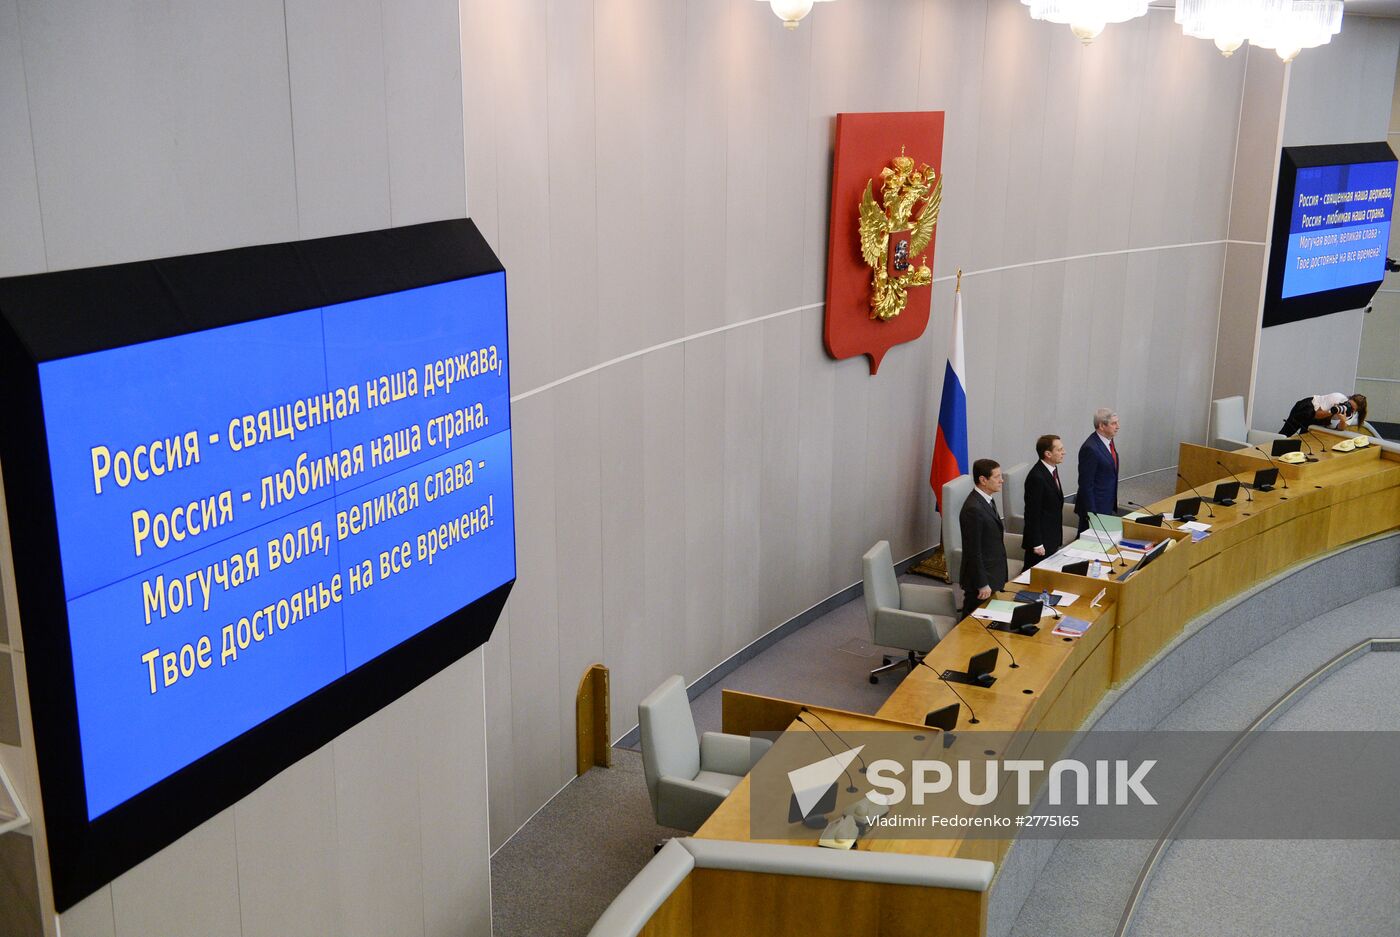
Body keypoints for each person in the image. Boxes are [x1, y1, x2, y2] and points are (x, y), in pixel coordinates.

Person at [959, 459, 1008, 621]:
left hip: (992, 571)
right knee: (971, 621)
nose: (1002, 480)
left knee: (984, 619)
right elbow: (973, 551)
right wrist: (982, 583)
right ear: (983, 480)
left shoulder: (987, 499)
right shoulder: (973, 509)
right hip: (980, 579)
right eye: (997, 477)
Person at [1023, 434, 1066, 568]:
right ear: (1048, 454)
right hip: (1041, 542)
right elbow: (1032, 514)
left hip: (1051, 536)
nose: (1063, 452)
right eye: (1059, 450)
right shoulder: (1037, 477)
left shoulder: (1052, 469)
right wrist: (1037, 543)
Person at [1076, 408, 1120, 532]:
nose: (1118, 426)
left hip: (1106, 503)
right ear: (1101, 425)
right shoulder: (1090, 448)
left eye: (1117, 422)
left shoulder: (1108, 441)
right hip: (1094, 509)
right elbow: (1086, 484)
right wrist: (1092, 514)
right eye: (1114, 423)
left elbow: (1109, 473)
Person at [1278, 393, 1368, 437]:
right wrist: (1332, 411)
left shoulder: (1351, 414)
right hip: (1308, 407)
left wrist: (1343, 420)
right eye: (1348, 404)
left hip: (1317, 417)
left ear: (1356, 411)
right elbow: (1317, 415)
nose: (1347, 407)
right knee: (1286, 433)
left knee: (1305, 439)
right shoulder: (1337, 398)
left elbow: (1341, 428)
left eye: (1352, 408)